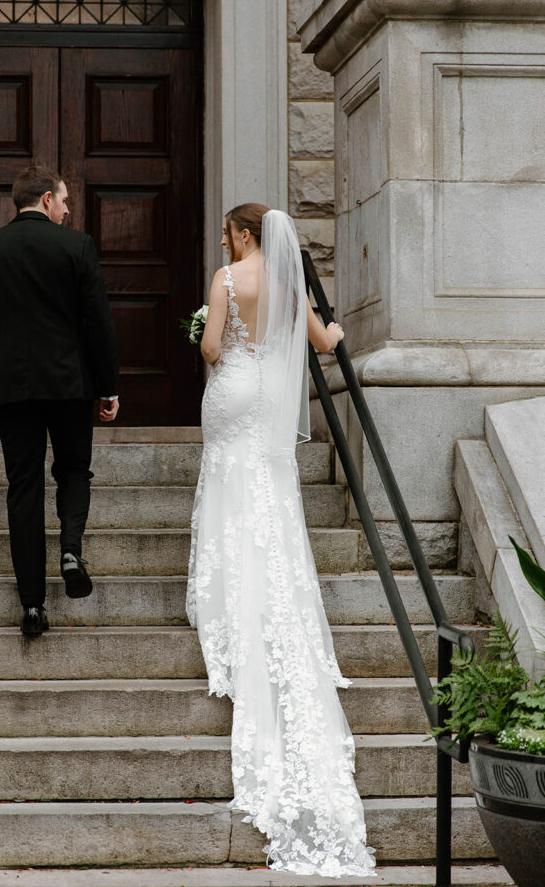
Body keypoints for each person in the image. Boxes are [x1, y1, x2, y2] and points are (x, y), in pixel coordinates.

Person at [186, 203, 376, 877]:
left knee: (230, 492)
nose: (223, 241)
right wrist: (339, 328)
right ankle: (272, 586)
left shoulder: (228, 278)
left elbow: (211, 348)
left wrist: (206, 335)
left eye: (227, 233)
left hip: (231, 392)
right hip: (269, 401)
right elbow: (327, 344)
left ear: (243, 235)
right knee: (270, 495)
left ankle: (229, 588)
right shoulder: (291, 283)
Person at [0, 165, 119, 639]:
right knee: (74, 470)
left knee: (23, 487)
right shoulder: (76, 247)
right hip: (70, 384)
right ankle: (71, 548)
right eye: (65, 201)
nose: (69, 209)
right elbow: (98, 321)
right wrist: (108, 386)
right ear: (47, 199)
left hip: (13, 388)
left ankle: (32, 605)